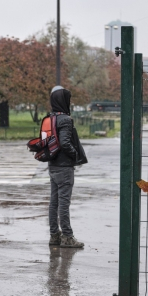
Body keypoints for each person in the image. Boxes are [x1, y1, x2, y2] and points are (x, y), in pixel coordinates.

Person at [47, 85, 88, 248]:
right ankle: (67, 236)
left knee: (54, 202)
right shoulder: (65, 119)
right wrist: (74, 155)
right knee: (64, 202)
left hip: (53, 165)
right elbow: (64, 142)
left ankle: (54, 235)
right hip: (64, 167)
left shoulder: (50, 118)